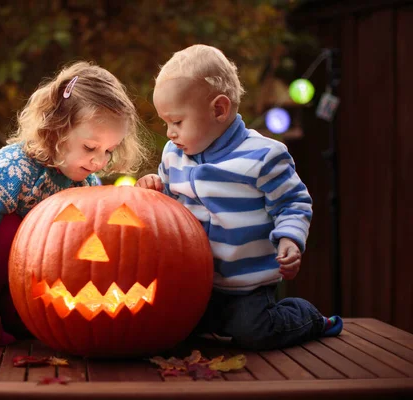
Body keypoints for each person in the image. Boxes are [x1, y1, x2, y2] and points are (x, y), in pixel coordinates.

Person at [0, 61, 148, 346]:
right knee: (10, 227)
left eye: (109, 150)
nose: (99, 161)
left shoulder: (86, 181)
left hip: (9, 275)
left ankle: (13, 317)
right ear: (57, 129)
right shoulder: (14, 169)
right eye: (90, 147)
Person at [136, 44, 342, 350]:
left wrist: (289, 239)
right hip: (193, 281)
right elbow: (169, 208)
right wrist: (154, 187)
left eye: (177, 122)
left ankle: (307, 317)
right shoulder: (174, 155)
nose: (169, 133)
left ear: (219, 110)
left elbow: (293, 202)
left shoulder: (264, 156)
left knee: (253, 332)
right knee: (174, 330)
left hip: (246, 283)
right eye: (166, 123)